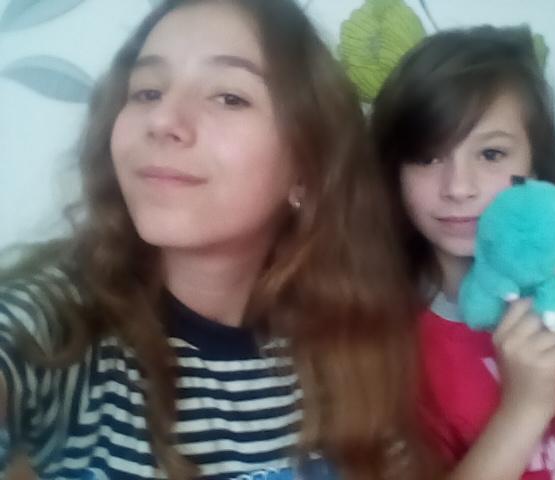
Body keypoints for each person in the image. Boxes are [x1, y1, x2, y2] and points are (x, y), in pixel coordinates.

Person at [0, 1, 426, 479]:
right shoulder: (59, 327)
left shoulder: (349, 348)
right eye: (146, 91)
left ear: (306, 169)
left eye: (228, 97)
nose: (161, 119)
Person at [371, 24, 555, 480]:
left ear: (533, 166)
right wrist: (524, 408)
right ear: (393, 173)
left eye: (491, 154)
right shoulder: (380, 337)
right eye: (427, 157)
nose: (458, 187)